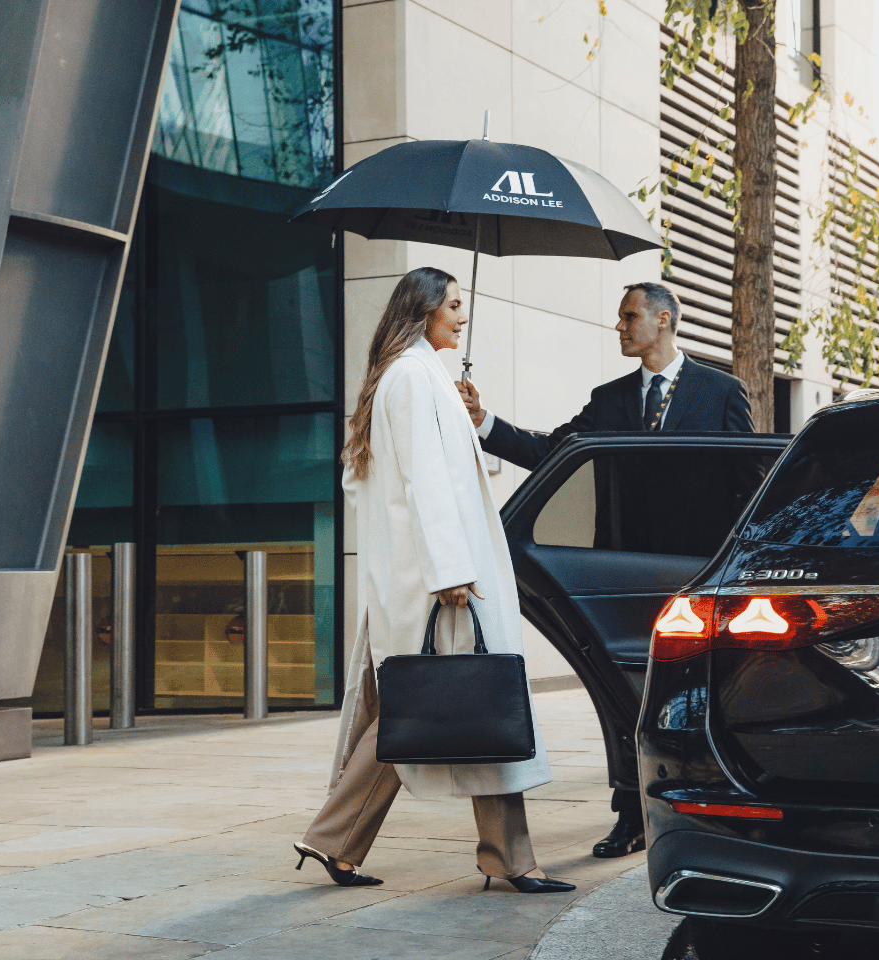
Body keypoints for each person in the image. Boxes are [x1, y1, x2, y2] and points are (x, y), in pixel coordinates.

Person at [295, 267, 574, 895]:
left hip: (425, 576)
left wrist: (470, 417)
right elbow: (425, 479)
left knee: (416, 711)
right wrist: (449, 571)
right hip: (442, 579)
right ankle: (511, 860)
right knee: (479, 704)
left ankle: (335, 840)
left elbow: (416, 478)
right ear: (422, 311)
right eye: (452, 306)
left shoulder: (415, 377)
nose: (462, 316)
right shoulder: (414, 378)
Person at [458, 281, 754, 859]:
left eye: (628, 316)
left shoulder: (721, 391)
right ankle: (632, 815)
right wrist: (484, 420)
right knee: (623, 693)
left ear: (663, 320)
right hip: (620, 575)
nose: (619, 326)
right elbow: (551, 452)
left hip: (697, 574)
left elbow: (747, 480)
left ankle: (708, 804)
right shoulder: (610, 398)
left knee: (701, 694)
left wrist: (740, 565)